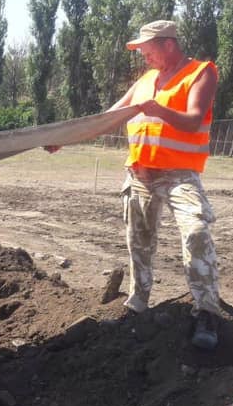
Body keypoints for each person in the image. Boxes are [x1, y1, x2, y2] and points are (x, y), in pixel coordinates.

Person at [49, 20, 222, 350]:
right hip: (141, 175)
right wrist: (64, 140)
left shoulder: (201, 72)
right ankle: (138, 300)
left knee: (196, 232)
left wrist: (159, 109)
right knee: (139, 241)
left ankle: (206, 312)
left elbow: (194, 119)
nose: (143, 56)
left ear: (168, 44)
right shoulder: (145, 81)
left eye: (147, 49)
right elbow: (108, 118)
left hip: (179, 175)